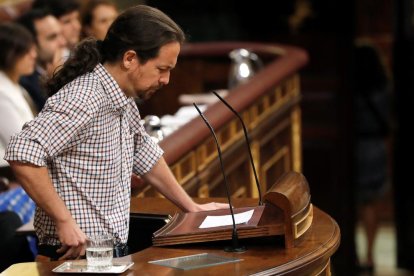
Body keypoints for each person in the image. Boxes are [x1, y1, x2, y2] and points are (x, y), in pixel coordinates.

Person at [4, 5, 228, 262]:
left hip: (107, 253)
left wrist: (191, 207)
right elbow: (23, 153)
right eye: (161, 69)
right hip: (73, 255)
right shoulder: (84, 96)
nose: (166, 79)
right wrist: (63, 219)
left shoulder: (122, 96)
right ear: (130, 59)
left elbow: (144, 152)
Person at [353, 42, 392, 274]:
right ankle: (369, 256)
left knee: (351, 204)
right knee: (371, 205)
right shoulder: (384, 89)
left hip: (355, 146)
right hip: (376, 146)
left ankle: (354, 257)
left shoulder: (351, 92)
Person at [0, 22, 37, 171]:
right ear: (8, 55)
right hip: (10, 173)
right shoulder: (1, 92)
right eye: (25, 51)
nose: (33, 55)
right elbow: (20, 146)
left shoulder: (17, 86)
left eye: (33, 49)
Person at [17, 8, 67, 111]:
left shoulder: (68, 63)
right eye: (52, 37)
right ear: (31, 44)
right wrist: (57, 83)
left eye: (61, 34)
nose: (63, 42)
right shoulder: (25, 81)